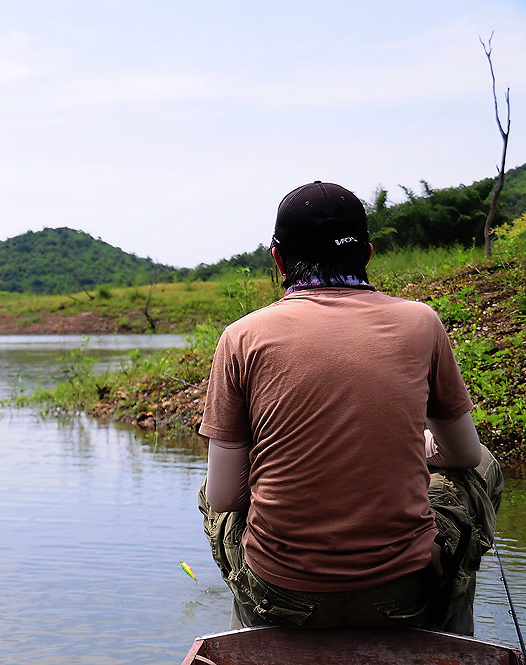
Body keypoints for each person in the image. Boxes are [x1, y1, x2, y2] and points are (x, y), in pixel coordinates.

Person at [197, 181, 503, 634]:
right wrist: (418, 450)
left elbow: (226, 497)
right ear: (368, 253)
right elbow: (464, 456)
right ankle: (450, 631)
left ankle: (255, 633)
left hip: (283, 596)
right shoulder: (422, 322)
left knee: (210, 492)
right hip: (404, 593)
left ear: (278, 259)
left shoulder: (241, 337)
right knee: (486, 466)